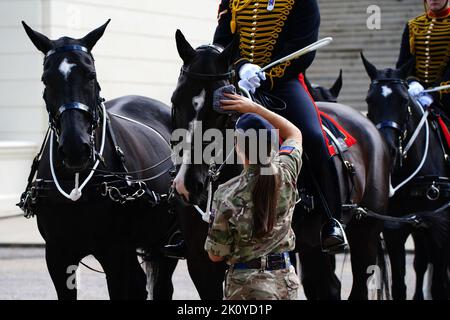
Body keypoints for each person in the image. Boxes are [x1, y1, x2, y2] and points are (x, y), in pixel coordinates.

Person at [213, 0, 347, 251]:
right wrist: (241, 67)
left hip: (282, 82)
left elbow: (303, 47)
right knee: (201, 130)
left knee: (313, 136)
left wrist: (267, 73)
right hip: (237, 79)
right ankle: (184, 217)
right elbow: (221, 40)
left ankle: (331, 218)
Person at [204, 94, 301, 300]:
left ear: (238, 146)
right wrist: (254, 108)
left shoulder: (226, 193)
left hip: (246, 288)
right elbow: (294, 132)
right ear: (272, 144)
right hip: (286, 282)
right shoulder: (287, 171)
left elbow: (215, 255)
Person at [397, 0, 450, 110]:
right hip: (415, 94)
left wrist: (435, 92)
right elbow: (403, 63)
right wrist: (412, 82)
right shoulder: (413, 25)